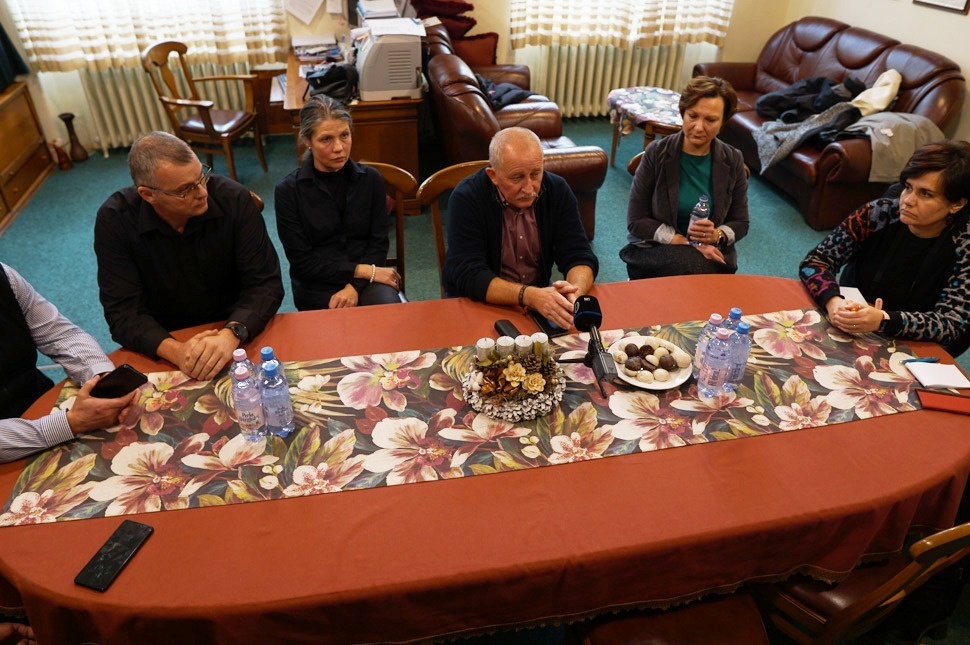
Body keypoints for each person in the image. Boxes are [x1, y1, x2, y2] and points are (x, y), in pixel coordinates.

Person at [95, 132, 284, 381]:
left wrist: (231, 334)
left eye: (202, 177)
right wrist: (178, 351)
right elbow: (122, 312)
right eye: (185, 189)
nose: (203, 192)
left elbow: (266, 284)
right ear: (148, 194)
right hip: (164, 337)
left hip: (236, 325)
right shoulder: (115, 220)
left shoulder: (234, 199)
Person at [799, 140, 970, 357]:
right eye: (908, 187)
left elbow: (951, 324)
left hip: (917, 344)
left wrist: (884, 320)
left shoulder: (964, 246)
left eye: (925, 194)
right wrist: (833, 302)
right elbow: (816, 261)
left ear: (957, 204)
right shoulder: (877, 214)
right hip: (851, 320)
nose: (907, 200)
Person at [442, 127, 598, 330]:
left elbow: (579, 255)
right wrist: (528, 295)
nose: (529, 188)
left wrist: (575, 292)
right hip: (479, 301)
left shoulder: (557, 190)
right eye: (517, 177)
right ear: (493, 175)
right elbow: (468, 274)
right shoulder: (467, 198)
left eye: (535, 174)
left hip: (537, 301)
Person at [274, 95, 401, 310]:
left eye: (344, 135)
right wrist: (361, 271)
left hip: (368, 280)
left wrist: (354, 286)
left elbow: (378, 244)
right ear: (307, 141)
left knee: (389, 314)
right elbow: (303, 262)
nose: (339, 147)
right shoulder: (288, 191)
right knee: (335, 325)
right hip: (317, 284)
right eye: (326, 139)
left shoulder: (371, 180)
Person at [0, 263, 133, 464]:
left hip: (37, 398)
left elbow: (60, 334)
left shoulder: (4, 276)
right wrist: (70, 423)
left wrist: (102, 380)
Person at [623, 76, 749, 278]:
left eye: (710, 120)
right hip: (656, 249)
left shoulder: (733, 159)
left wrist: (717, 234)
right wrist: (688, 244)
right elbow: (636, 220)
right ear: (683, 113)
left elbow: (741, 222)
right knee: (696, 269)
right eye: (693, 116)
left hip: (711, 252)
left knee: (699, 270)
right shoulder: (657, 152)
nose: (698, 127)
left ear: (723, 122)